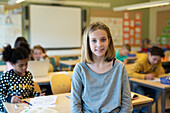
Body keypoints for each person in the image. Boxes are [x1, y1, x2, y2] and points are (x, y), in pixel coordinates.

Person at [70, 22, 133, 113]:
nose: (99, 44)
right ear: (88, 43)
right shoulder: (80, 69)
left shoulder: (119, 67)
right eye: (94, 40)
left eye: (103, 39)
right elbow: (75, 105)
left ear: (109, 41)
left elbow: (127, 102)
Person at [0, 45, 41, 112]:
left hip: (26, 107)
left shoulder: (28, 75)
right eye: (20, 65)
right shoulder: (6, 76)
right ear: (12, 64)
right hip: (10, 109)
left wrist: (38, 95)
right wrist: (10, 99)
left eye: (26, 64)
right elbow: (0, 95)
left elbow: (31, 92)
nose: (24, 67)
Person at [127, 46, 166, 113]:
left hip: (145, 82)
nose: (156, 62)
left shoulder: (158, 61)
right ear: (149, 54)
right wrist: (145, 76)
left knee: (157, 91)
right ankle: (136, 111)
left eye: (158, 60)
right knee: (140, 93)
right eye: (154, 59)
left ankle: (143, 111)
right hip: (133, 81)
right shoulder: (142, 61)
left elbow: (158, 73)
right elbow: (130, 74)